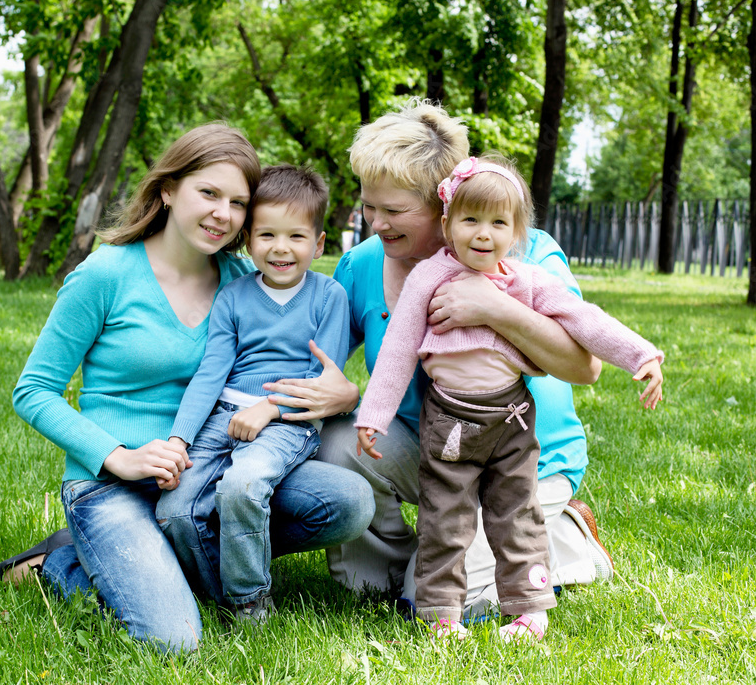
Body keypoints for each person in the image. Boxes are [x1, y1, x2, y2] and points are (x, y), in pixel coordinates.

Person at [0, 126, 374, 655]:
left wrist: (346, 397)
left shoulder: (242, 278)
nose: (223, 214)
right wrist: (119, 457)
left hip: (214, 466)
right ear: (168, 189)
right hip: (115, 484)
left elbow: (309, 365)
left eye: (238, 202)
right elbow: (33, 391)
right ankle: (58, 563)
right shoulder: (105, 274)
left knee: (346, 502)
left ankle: (168, 557)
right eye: (208, 193)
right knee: (173, 640)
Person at [258, 99, 613, 630]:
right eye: (369, 207)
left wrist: (495, 308)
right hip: (436, 451)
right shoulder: (364, 264)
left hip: (517, 460)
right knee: (338, 442)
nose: (376, 224)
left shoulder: (524, 251)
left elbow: (585, 368)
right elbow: (312, 355)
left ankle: (566, 536)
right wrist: (340, 393)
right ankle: (399, 566)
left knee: (457, 604)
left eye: (394, 211)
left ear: (442, 205)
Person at [354, 154, 664, 641]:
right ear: (447, 224)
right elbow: (398, 349)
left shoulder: (525, 279)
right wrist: (373, 414)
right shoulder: (428, 277)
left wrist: (641, 355)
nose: (483, 234)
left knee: (514, 513)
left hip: (512, 422)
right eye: (470, 221)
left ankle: (530, 607)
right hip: (450, 424)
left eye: (498, 223)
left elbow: (584, 320)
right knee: (444, 517)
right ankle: (440, 614)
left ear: (516, 231)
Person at [157, 165, 349, 624]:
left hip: (289, 421)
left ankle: (248, 604)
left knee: (241, 487)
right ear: (247, 240)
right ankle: (217, 593)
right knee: (175, 510)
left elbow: (322, 379)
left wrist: (269, 409)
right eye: (267, 235)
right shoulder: (233, 296)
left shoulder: (329, 296)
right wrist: (180, 440)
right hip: (223, 415)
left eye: (296, 236)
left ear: (319, 244)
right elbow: (211, 374)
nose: (281, 248)